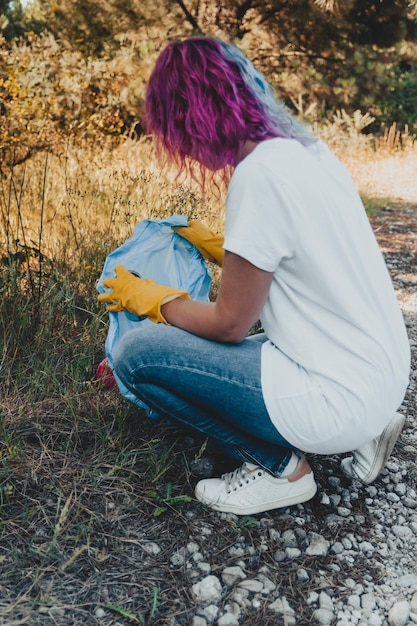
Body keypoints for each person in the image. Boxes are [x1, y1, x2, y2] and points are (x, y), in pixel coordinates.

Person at [98, 37, 410, 516]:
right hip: (379, 372)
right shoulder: (305, 151)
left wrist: (153, 299)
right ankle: (366, 432)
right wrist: (220, 247)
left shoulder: (258, 175)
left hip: (338, 394)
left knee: (136, 356)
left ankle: (282, 469)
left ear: (191, 115)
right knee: (241, 346)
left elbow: (229, 324)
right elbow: (297, 259)